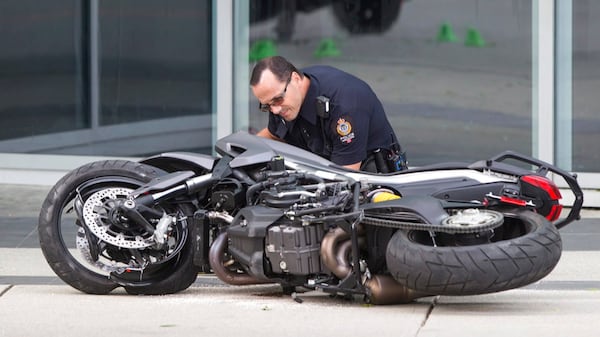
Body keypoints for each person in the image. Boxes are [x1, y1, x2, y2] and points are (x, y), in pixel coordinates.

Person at [250, 56, 406, 173]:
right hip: (323, 177)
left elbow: (346, 177)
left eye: (277, 99)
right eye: (266, 105)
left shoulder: (345, 104)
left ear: (296, 79)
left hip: (372, 188)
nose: (275, 110)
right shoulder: (283, 99)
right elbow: (272, 136)